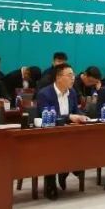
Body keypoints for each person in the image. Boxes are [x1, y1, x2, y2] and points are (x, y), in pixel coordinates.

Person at [35, 63, 87, 200]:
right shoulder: (44, 94)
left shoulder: (72, 92)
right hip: (48, 135)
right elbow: (47, 115)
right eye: (69, 75)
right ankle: (50, 184)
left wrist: (83, 116)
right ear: (58, 77)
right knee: (53, 149)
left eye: (73, 75)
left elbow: (76, 111)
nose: (73, 78)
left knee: (84, 144)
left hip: (69, 134)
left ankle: (68, 169)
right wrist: (69, 117)